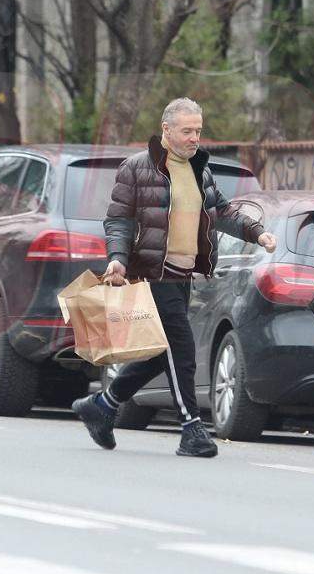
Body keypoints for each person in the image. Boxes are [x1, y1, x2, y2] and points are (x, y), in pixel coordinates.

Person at [72, 97, 276, 457]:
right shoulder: (137, 168)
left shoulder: (199, 169)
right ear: (166, 130)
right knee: (181, 348)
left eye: (198, 130)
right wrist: (117, 259)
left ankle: (102, 405)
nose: (194, 138)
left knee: (158, 350)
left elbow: (223, 212)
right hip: (151, 272)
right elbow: (119, 219)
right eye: (187, 131)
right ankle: (191, 428)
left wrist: (257, 232)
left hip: (182, 274)